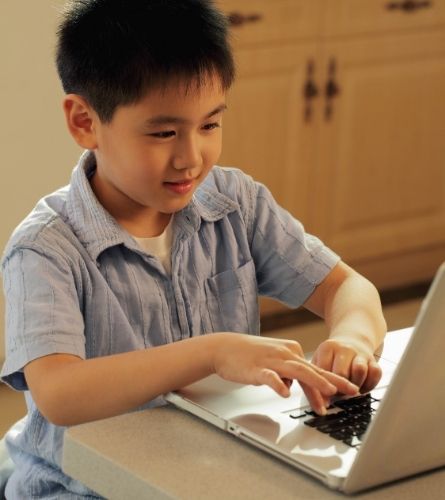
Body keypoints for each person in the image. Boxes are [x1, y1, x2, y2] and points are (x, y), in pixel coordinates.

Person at [0, 0, 387, 497]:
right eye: (163, 132)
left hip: (212, 465)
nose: (191, 158)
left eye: (209, 125)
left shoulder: (235, 204)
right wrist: (212, 353)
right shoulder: (44, 247)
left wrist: (352, 339)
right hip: (84, 487)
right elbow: (59, 395)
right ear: (84, 122)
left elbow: (347, 288)